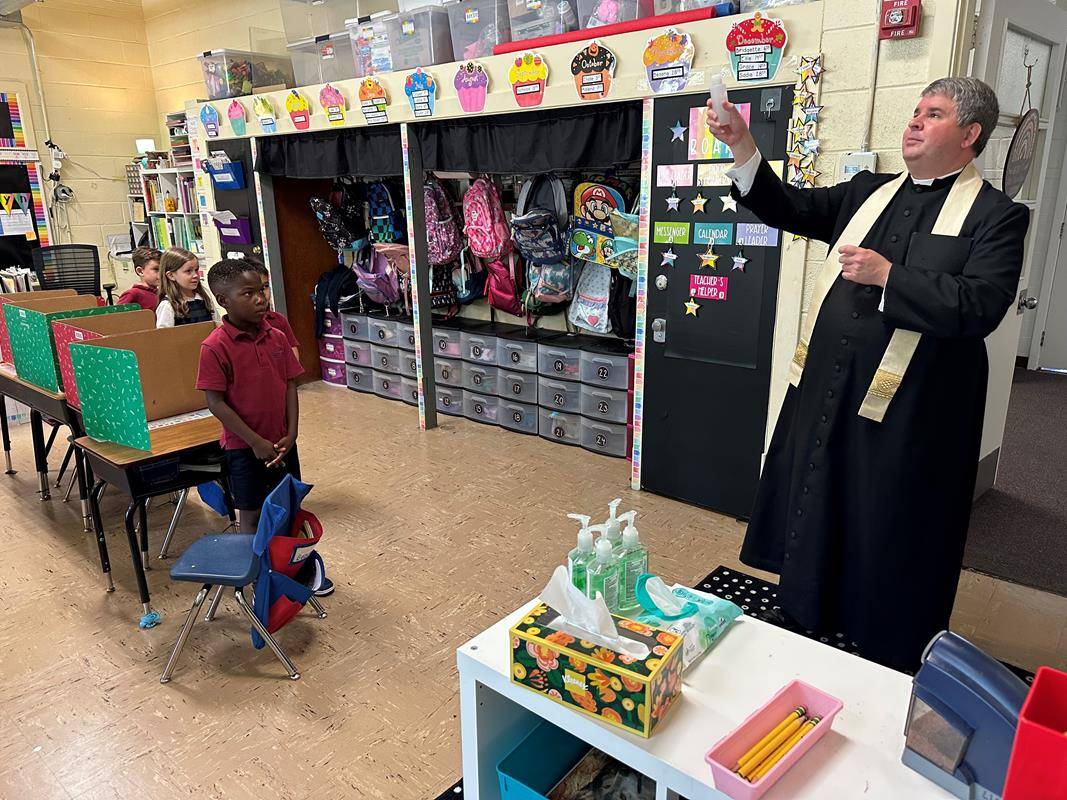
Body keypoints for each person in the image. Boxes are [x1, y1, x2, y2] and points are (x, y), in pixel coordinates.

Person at [705, 77, 1029, 671]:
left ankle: (888, 642)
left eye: (933, 114)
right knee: (821, 491)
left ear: (970, 134)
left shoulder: (997, 215)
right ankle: (805, 610)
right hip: (831, 386)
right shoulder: (867, 192)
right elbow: (790, 207)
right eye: (915, 111)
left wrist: (890, 276)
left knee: (890, 513)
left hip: (917, 406)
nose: (914, 122)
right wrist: (743, 145)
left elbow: (981, 303)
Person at [196, 258, 303, 534]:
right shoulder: (214, 347)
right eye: (248, 293)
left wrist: (292, 434)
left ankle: (287, 572)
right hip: (244, 448)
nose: (260, 300)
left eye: (261, 291)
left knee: (289, 506)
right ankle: (256, 575)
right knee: (252, 516)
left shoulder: (277, 337)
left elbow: (290, 385)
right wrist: (255, 442)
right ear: (223, 300)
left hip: (282, 443)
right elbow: (215, 403)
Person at [244, 257, 300, 361]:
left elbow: (292, 351)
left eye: (265, 286)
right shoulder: (238, 326)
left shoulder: (279, 320)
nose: (262, 293)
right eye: (251, 290)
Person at [156, 247, 220, 328]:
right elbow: (164, 337)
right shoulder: (168, 306)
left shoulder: (204, 298)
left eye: (196, 270)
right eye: (188, 271)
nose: (196, 275)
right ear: (171, 275)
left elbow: (217, 325)